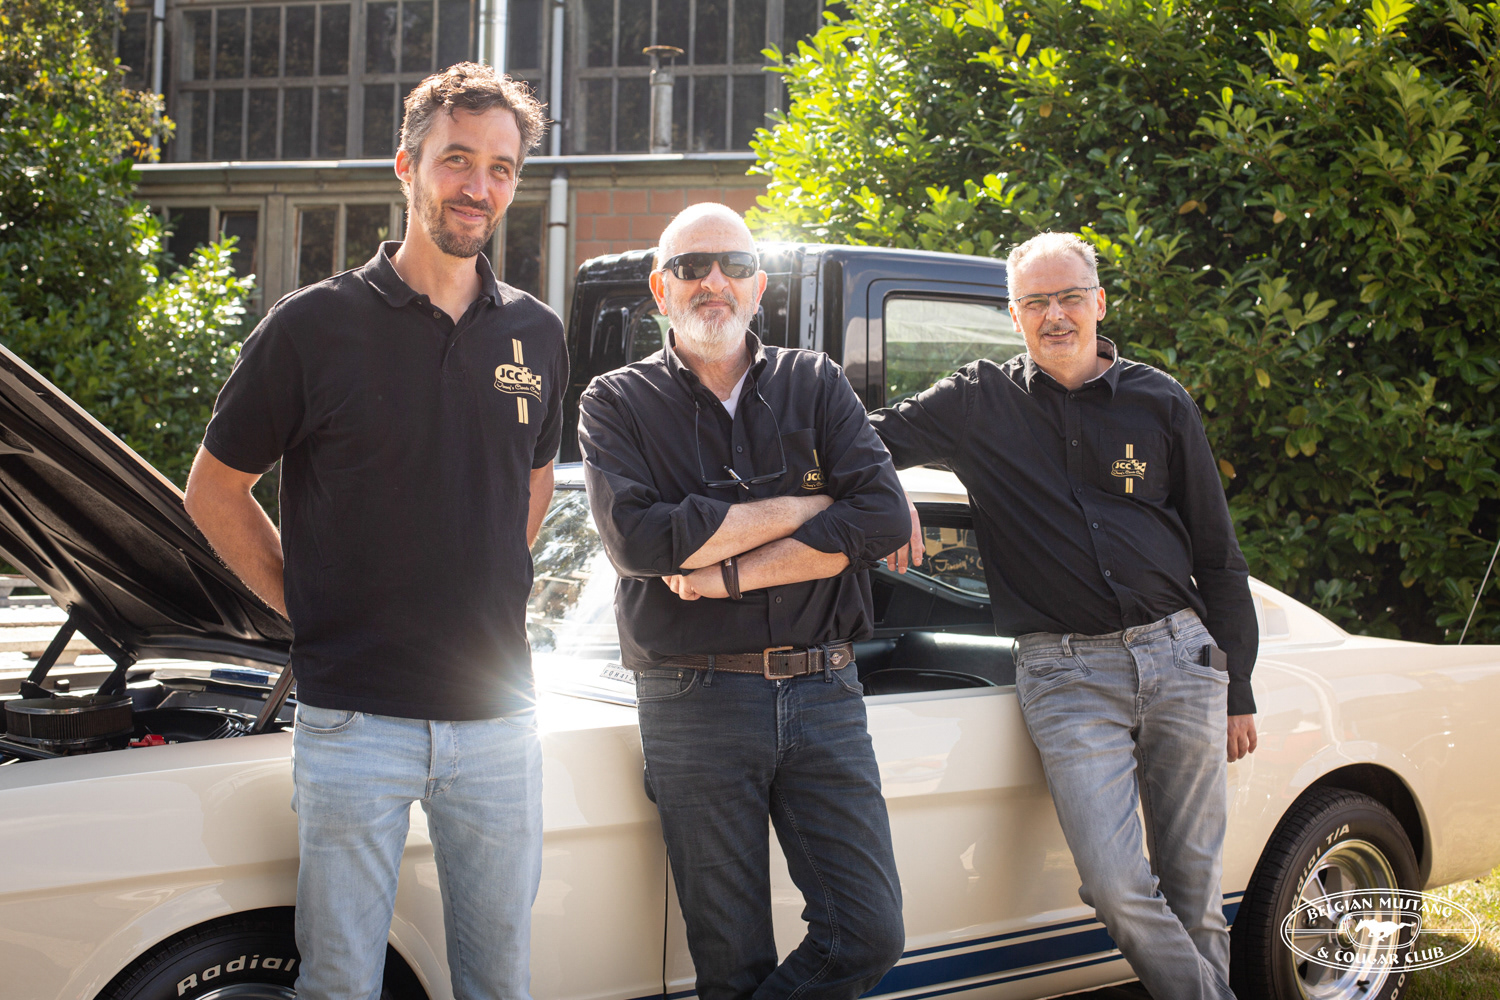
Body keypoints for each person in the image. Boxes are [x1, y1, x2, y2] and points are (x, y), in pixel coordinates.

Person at [182, 63, 564, 1000]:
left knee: (499, 984)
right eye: (457, 159)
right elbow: (214, 491)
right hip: (355, 720)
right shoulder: (313, 326)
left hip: (500, 718)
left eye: (502, 168)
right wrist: (307, 606)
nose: (479, 186)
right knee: (341, 984)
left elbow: (534, 482)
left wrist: (481, 581)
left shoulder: (537, 333)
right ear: (407, 165)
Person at [871, 232, 1257, 1000]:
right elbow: (860, 437)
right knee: (1114, 886)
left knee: (1195, 892)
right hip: (1065, 672)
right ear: (1013, 315)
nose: (1055, 315)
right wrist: (887, 492)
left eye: (1070, 297)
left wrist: (1237, 684)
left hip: (1182, 658)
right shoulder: (977, 400)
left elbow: (1218, 554)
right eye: (1036, 302)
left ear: (1099, 302)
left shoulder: (1160, 400)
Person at [578, 203, 909, 1000]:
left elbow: (883, 517)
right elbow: (642, 544)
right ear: (660, 288)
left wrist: (726, 572)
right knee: (731, 963)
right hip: (694, 699)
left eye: (733, 265)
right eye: (691, 267)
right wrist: (807, 506)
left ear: (759, 286)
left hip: (825, 689)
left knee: (869, 933)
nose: (713, 281)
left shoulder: (814, 381)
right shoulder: (615, 401)